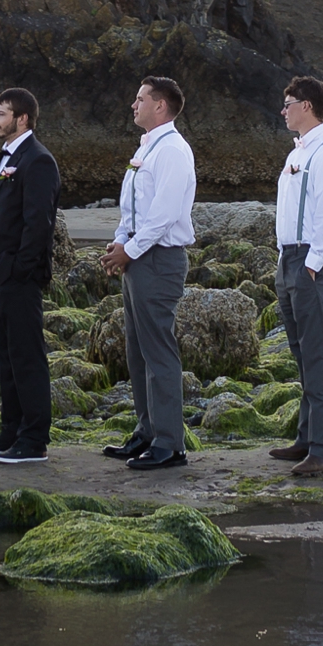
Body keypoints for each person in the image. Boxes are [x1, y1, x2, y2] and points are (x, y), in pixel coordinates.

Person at [100, 75, 196, 472]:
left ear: (160, 106)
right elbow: (133, 209)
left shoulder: (172, 150)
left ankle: (170, 444)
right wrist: (119, 241)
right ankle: (147, 431)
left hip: (159, 259)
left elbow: (164, 214)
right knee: (137, 350)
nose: (133, 105)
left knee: (158, 351)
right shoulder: (147, 148)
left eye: (140, 99)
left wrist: (131, 250)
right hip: (139, 257)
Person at [269, 75, 323, 481]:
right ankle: (305, 438)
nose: (283, 111)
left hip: (310, 262)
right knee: (302, 354)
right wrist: (284, 261)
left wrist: (313, 264)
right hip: (290, 259)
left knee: (317, 356)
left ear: (307, 106)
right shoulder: (298, 152)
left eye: (288, 104)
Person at [0, 88, 62, 465]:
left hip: (17, 277)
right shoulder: (8, 156)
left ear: (22, 119)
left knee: (27, 357)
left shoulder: (38, 160)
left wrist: (18, 270)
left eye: (1, 113)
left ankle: (34, 438)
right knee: (7, 357)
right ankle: (11, 429)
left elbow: (38, 224)